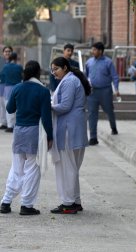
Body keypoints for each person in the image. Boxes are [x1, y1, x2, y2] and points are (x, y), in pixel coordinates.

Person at [0, 60, 53, 215]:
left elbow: (10, 109)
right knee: (32, 169)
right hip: (34, 132)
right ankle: (26, 205)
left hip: (19, 131)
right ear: (38, 73)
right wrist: (50, 136)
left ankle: (6, 202)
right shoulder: (42, 91)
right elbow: (46, 117)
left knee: (16, 169)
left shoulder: (18, 87)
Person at [50, 57, 91, 214]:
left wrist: (48, 106)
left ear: (65, 68)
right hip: (74, 128)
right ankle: (76, 201)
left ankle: (68, 203)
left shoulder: (68, 82)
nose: (54, 72)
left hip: (69, 129)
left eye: (56, 69)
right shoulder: (72, 80)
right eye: (52, 69)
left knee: (67, 167)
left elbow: (65, 106)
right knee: (72, 167)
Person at [85, 41, 120, 145]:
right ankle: (93, 137)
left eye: (95, 49)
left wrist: (116, 89)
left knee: (109, 110)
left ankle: (113, 127)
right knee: (92, 114)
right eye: (92, 49)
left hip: (105, 91)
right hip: (92, 92)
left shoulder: (108, 62)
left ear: (100, 51)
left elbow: (114, 76)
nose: (93, 51)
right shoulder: (89, 62)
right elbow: (86, 75)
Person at [1, 52, 23, 132]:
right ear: (16, 58)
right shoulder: (19, 67)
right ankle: (16, 124)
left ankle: (10, 125)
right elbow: (22, 76)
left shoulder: (5, 67)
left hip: (8, 88)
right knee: (17, 107)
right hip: (17, 87)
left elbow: (2, 77)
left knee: (8, 106)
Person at [0, 46, 13, 130]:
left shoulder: (13, 62)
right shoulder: (1, 61)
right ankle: (3, 122)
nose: (7, 53)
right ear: (3, 53)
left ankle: (10, 124)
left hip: (9, 86)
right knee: (1, 105)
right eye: (5, 51)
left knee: (8, 104)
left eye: (9, 51)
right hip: (1, 84)